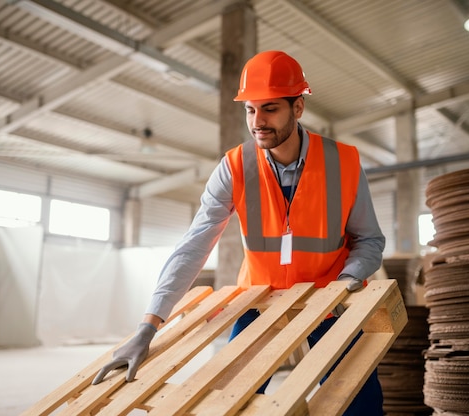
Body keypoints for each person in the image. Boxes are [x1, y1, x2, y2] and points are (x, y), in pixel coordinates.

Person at [92, 50, 386, 415]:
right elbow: (193, 246)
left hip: (330, 300)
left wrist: (345, 284)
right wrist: (147, 326)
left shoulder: (342, 161)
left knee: (361, 404)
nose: (257, 121)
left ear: (298, 108)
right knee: (229, 400)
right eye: (250, 109)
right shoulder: (234, 166)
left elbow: (370, 241)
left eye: (270, 108)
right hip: (260, 300)